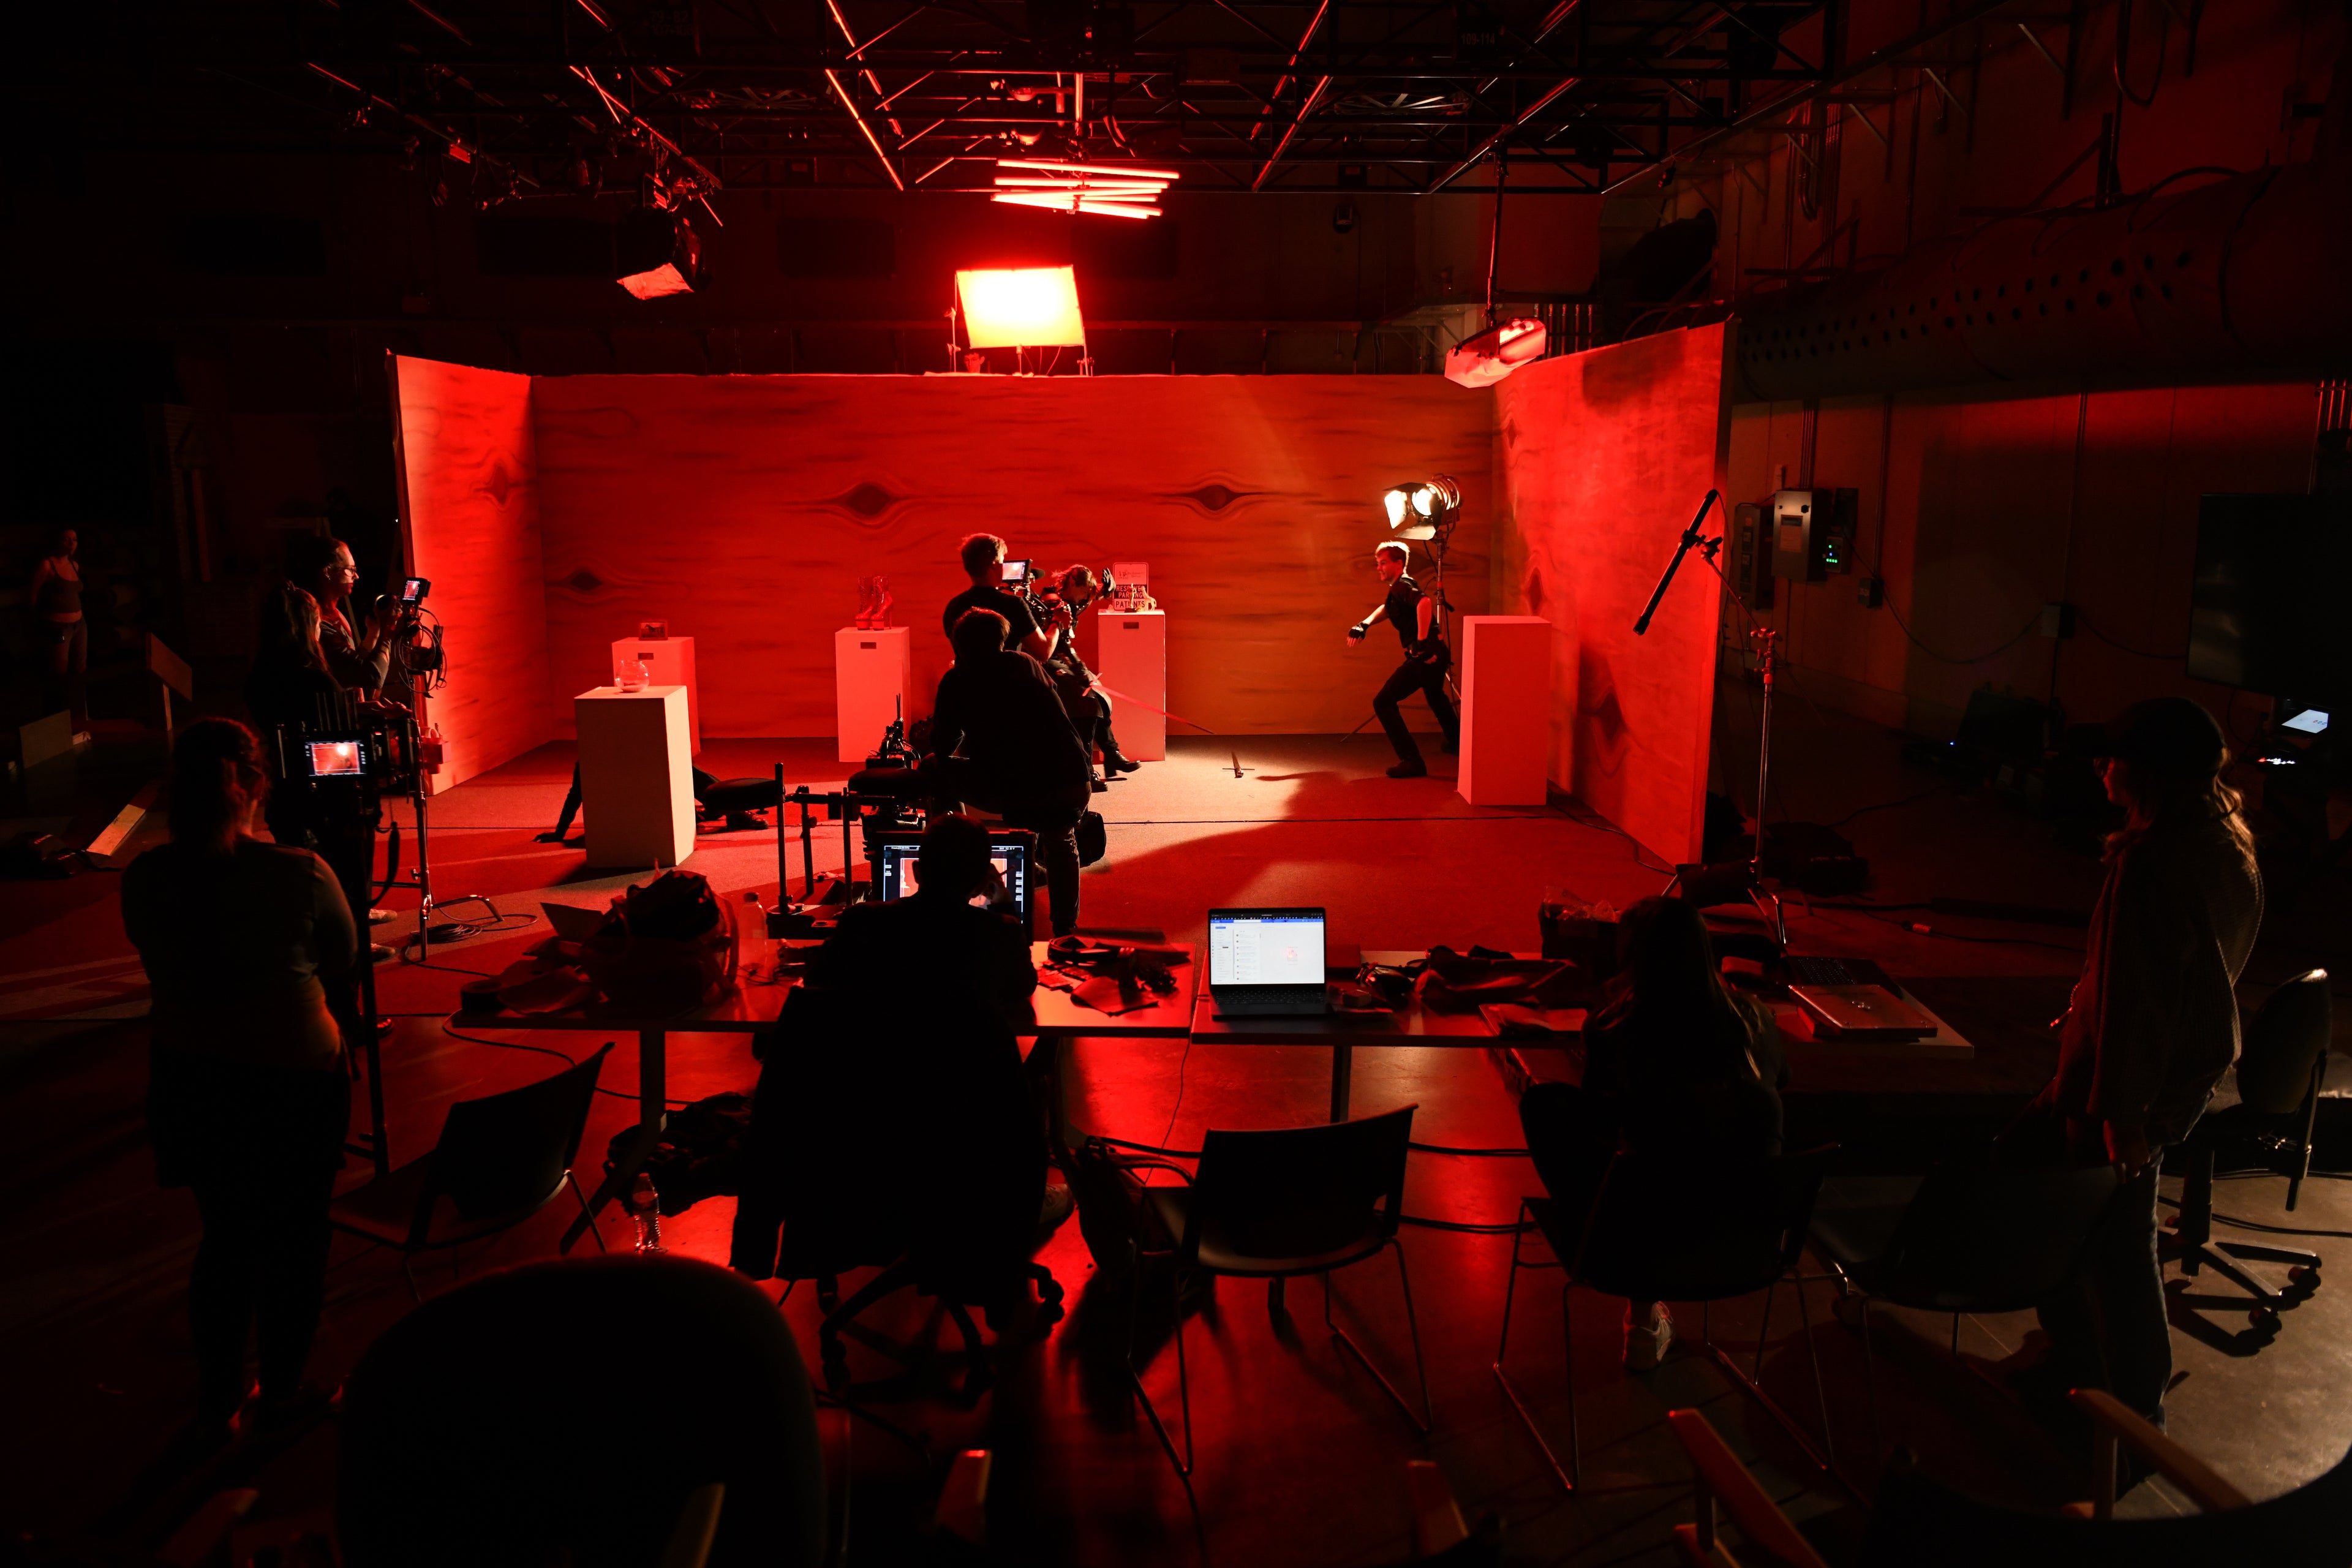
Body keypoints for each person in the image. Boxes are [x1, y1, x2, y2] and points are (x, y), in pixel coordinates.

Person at [2008, 696, 2261, 1433]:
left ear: (2149, 776)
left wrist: (2121, 1118)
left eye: (2113, 758)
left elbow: (2141, 1000)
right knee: (2043, 1189)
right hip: (2160, 1077)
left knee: (2119, 1252)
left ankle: (2131, 1411)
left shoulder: (2151, 863)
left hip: (2118, 1095)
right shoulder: (2226, 840)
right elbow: (2172, 979)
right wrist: (2090, 1002)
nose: (2100, 767)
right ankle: (2080, 1361)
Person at [122, 719, 357, 1444]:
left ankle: (219, 1395)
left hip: (192, 1078)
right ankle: (282, 1392)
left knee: (224, 1238)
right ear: (257, 787)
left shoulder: (144, 877)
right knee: (296, 1239)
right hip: (296, 1078)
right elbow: (343, 958)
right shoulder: (300, 871)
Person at [733, 814, 1047, 1308]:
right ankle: (996, 1245)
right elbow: (1021, 991)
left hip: (865, 1134)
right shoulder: (999, 936)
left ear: (917, 871)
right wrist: (997, 906)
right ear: (982, 878)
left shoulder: (861, 925)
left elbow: (817, 989)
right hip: (964, 1137)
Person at [1518, 896, 1785, 1369]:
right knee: (1694, 1143)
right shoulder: (1756, 1018)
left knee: (1564, 1115)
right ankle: (1645, 1315)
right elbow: (1779, 1085)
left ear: (1631, 956)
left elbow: (1599, 1122)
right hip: (1752, 1235)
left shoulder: (1612, 1027)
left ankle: (1642, 1315)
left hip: (1647, 1234)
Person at [927, 608, 1094, 937]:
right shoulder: (1026, 664)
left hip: (1014, 789)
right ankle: (1065, 926)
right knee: (1061, 836)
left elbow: (944, 744)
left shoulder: (957, 679)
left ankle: (960, 844)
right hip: (1073, 780)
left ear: (958, 644)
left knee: (934, 765)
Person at [1345, 541, 1458, 778]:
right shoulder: (1399, 588)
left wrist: (1421, 642)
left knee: (1383, 703)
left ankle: (1412, 761)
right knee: (1436, 696)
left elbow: (1425, 603)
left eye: (1383, 563)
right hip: (1437, 652)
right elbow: (1386, 609)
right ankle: (1457, 743)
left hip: (1426, 655)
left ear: (1399, 564)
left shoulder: (1402, 586)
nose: (1379, 568)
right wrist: (1364, 624)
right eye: (1378, 563)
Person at [1042, 565, 1141, 786]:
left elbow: (1087, 600)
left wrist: (1105, 591)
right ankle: (1085, 773)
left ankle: (1112, 753)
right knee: (1086, 707)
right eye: (1085, 591)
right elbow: (1062, 644)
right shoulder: (1054, 604)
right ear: (1074, 584)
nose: (1088, 596)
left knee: (1100, 699)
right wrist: (1079, 669)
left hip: (1063, 659)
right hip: (1047, 661)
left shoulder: (1071, 598)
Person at [284, 533, 391, 694]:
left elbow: (352, 666)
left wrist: (374, 633)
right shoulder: (317, 624)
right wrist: (388, 628)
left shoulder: (337, 614)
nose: (356, 576)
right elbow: (372, 676)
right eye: (350, 570)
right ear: (327, 572)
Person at [941, 533, 1054, 663]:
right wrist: (1057, 623)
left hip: (966, 683)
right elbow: (1043, 653)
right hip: (1005, 683)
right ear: (994, 564)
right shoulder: (1013, 605)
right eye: (1002, 561)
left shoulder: (954, 606)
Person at [29, 527, 90, 736]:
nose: (71, 543)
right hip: (58, 626)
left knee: (79, 669)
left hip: (79, 625)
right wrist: (38, 622)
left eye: (74, 539)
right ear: (58, 541)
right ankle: (56, 719)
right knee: (59, 673)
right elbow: (33, 594)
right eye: (66, 539)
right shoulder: (48, 565)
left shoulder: (75, 566)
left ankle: (78, 715)